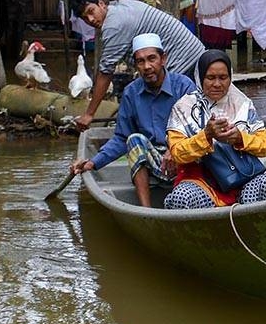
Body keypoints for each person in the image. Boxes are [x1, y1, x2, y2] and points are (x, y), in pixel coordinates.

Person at [69, 33, 196, 208]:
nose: (147, 66)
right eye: (141, 61)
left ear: (163, 59)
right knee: (134, 140)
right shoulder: (131, 93)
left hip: (183, 157)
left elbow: (196, 128)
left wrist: (175, 148)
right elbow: (121, 138)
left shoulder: (184, 86)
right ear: (136, 65)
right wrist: (93, 162)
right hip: (153, 162)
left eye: (152, 59)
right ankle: (146, 210)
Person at [164, 50, 266, 209]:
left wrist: (240, 138)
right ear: (200, 77)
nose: (217, 84)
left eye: (223, 78)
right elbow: (177, 153)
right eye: (210, 78)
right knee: (183, 197)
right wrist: (206, 136)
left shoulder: (242, 104)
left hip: (244, 178)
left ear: (230, 77)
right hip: (201, 183)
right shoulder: (183, 108)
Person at [69, 0, 206, 131]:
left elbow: (105, 72)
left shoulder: (113, 26)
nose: (91, 20)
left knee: (175, 117)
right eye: (85, 18)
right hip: (197, 54)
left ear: (101, 4)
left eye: (91, 11)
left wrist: (89, 114)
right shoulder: (122, 6)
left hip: (183, 62)